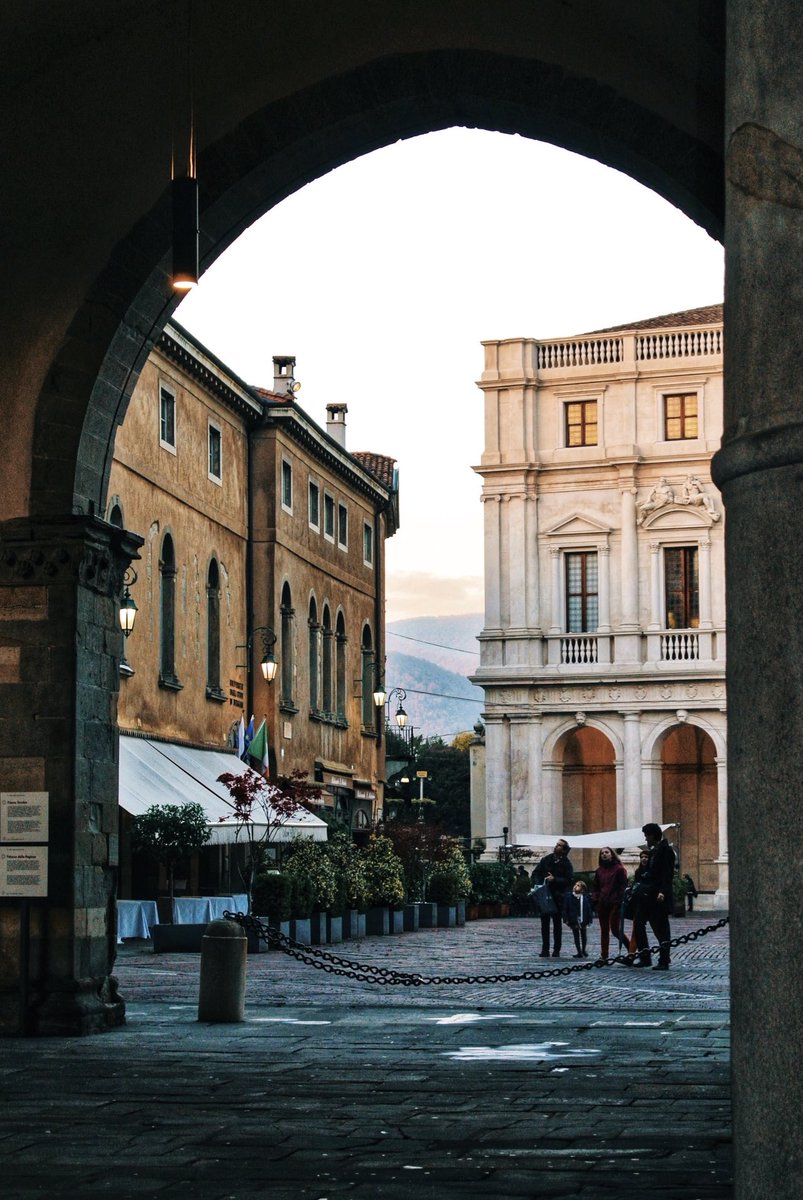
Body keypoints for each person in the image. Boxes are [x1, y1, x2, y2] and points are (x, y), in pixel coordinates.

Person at [632, 823, 675, 970]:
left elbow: (667, 874)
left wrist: (663, 891)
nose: (646, 839)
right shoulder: (654, 851)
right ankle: (645, 956)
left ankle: (664, 959)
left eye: (647, 836)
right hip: (647, 895)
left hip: (657, 895)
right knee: (638, 923)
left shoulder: (665, 851)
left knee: (661, 928)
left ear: (653, 835)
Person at [533, 839, 574, 957]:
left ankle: (557, 949)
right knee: (544, 923)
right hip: (545, 895)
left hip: (558, 896)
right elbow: (536, 873)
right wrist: (539, 884)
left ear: (564, 849)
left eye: (559, 845)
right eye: (557, 845)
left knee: (557, 924)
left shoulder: (566, 863)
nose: (556, 846)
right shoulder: (546, 859)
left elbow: (569, 879)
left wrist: (555, 879)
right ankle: (545, 949)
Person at [591, 846, 628, 961]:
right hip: (602, 903)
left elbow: (623, 886)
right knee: (604, 930)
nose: (604, 854)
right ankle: (604, 955)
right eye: (602, 853)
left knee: (615, 929)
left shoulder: (619, 869)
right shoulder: (599, 871)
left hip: (615, 903)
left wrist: (619, 901)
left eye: (606, 852)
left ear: (612, 854)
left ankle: (631, 949)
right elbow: (596, 887)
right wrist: (596, 898)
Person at [563, 880, 594, 957]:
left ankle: (583, 950)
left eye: (578, 885)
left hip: (583, 919)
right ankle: (579, 951)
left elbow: (588, 909)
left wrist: (590, 919)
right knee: (576, 935)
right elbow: (565, 909)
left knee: (584, 935)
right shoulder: (569, 897)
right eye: (575, 885)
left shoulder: (585, 898)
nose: (575, 886)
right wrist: (566, 919)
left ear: (582, 889)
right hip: (573, 919)